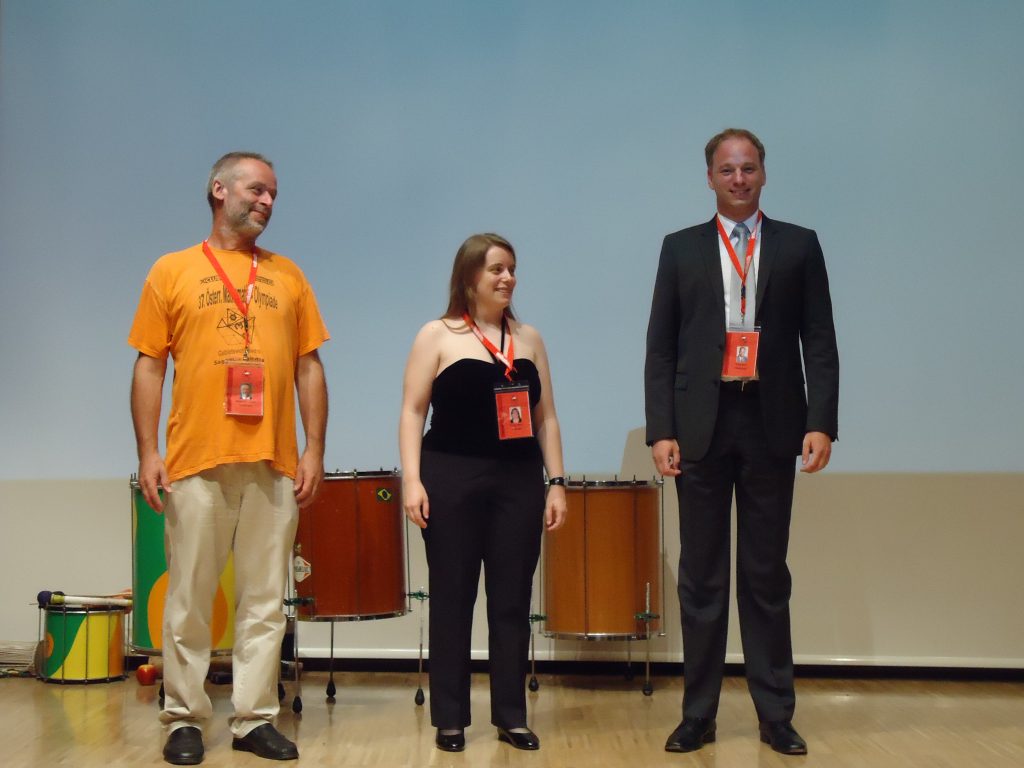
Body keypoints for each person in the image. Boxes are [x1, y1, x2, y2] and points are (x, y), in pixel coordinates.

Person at [129, 152, 330, 765]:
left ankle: (254, 718)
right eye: (257, 189)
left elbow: (308, 366)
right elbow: (149, 364)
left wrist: (314, 448)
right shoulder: (172, 270)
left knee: (265, 599)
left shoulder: (289, 275)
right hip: (196, 460)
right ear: (219, 190)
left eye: (274, 194)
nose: (267, 201)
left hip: (273, 462)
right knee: (190, 597)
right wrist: (147, 451)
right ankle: (185, 718)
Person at [645, 129, 839, 756]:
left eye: (748, 168)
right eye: (726, 170)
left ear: (762, 175)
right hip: (700, 426)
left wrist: (821, 421)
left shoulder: (799, 245)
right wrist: (662, 429)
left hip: (771, 423)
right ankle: (698, 713)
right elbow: (661, 348)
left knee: (764, 575)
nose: (738, 179)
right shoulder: (680, 249)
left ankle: (775, 714)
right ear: (709, 178)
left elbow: (820, 340)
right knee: (700, 578)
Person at [399, 233, 567, 753]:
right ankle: (450, 718)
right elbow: (412, 411)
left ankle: (511, 715)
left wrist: (556, 483)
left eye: (512, 269)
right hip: (451, 476)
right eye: (496, 269)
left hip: (518, 480)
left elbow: (547, 418)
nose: (507, 278)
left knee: (512, 600)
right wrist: (411, 479)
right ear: (470, 277)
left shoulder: (531, 338)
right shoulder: (438, 334)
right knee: (453, 598)